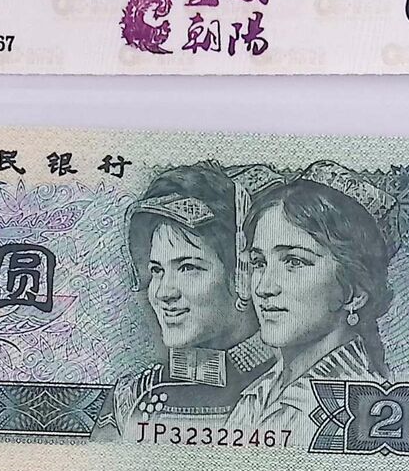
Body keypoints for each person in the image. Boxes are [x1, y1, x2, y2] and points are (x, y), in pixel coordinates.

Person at [96, 161, 280, 438]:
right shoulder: (131, 398)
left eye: (188, 267)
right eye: (157, 270)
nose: (164, 292)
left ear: (243, 275)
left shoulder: (292, 391)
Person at [225, 161, 398, 445]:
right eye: (259, 263)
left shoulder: (357, 413)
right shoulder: (259, 393)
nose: (264, 287)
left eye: (294, 262)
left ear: (354, 292)